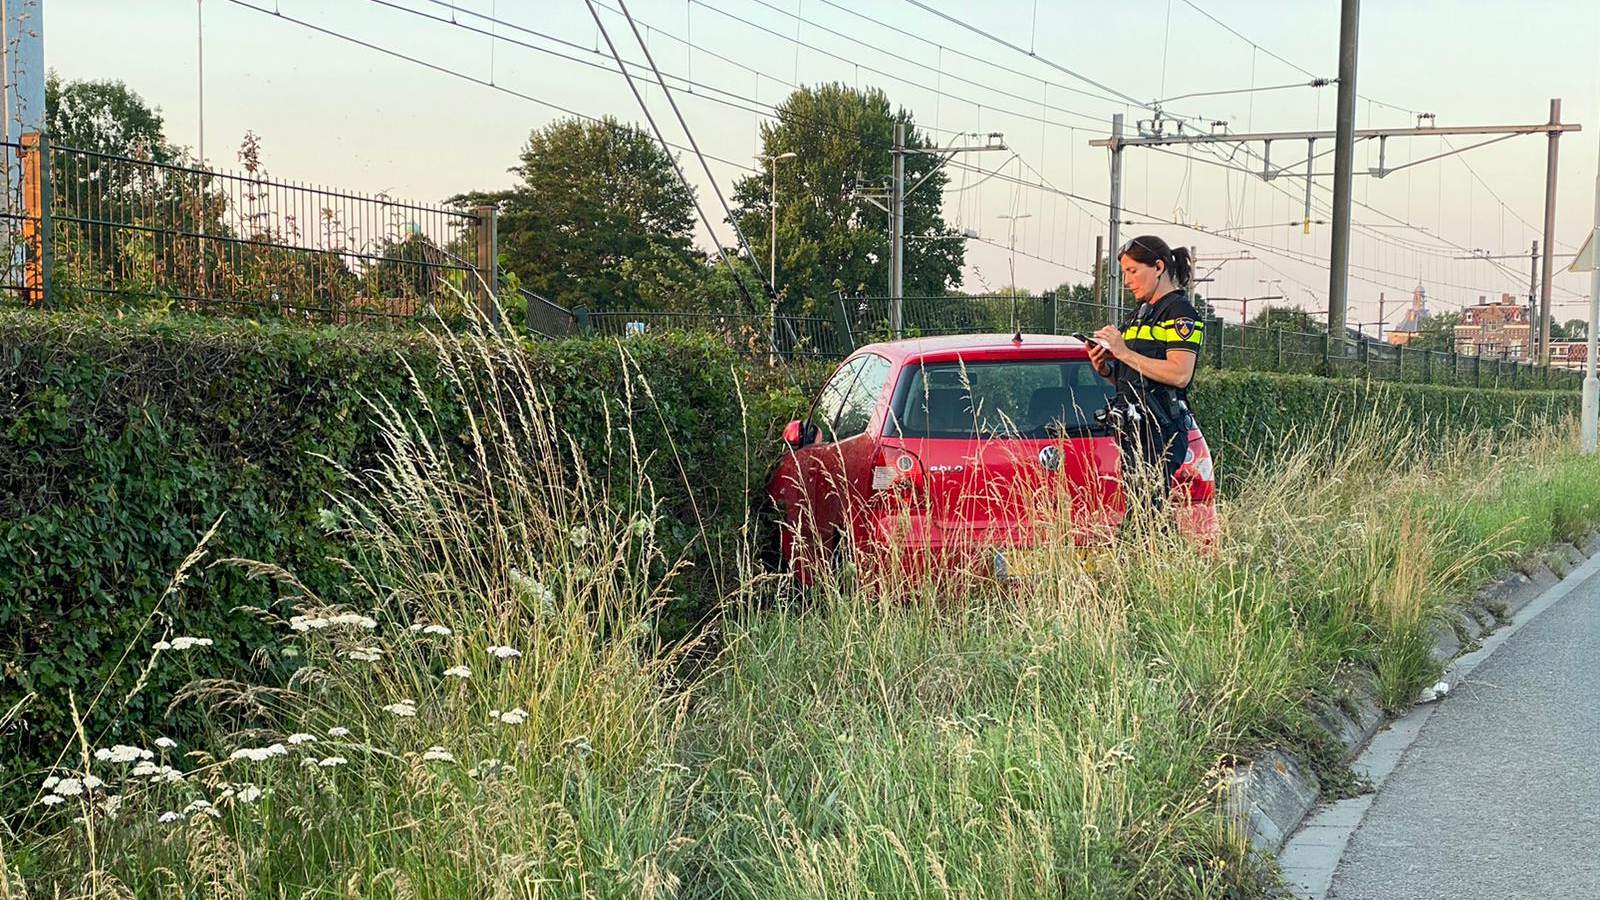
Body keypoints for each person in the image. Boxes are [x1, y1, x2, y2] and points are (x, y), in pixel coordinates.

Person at [1085, 235, 1205, 521]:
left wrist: (1123, 352)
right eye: (1125, 272)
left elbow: (1179, 374)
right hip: (1134, 430)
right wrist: (1107, 369)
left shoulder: (1180, 314)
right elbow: (1139, 378)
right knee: (1141, 513)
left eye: (1133, 271)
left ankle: (1157, 562)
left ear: (1159, 267)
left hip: (1161, 430)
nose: (1127, 280)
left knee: (1147, 516)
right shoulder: (1138, 315)